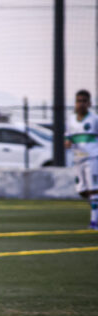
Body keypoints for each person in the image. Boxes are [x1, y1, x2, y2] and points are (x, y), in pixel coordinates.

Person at [66, 89, 98, 229]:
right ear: (75, 103)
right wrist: (67, 142)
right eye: (79, 101)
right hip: (78, 159)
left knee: (93, 189)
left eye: (84, 101)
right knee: (82, 190)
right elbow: (68, 136)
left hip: (92, 158)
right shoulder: (71, 119)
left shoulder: (94, 119)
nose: (81, 104)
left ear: (89, 103)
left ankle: (94, 221)